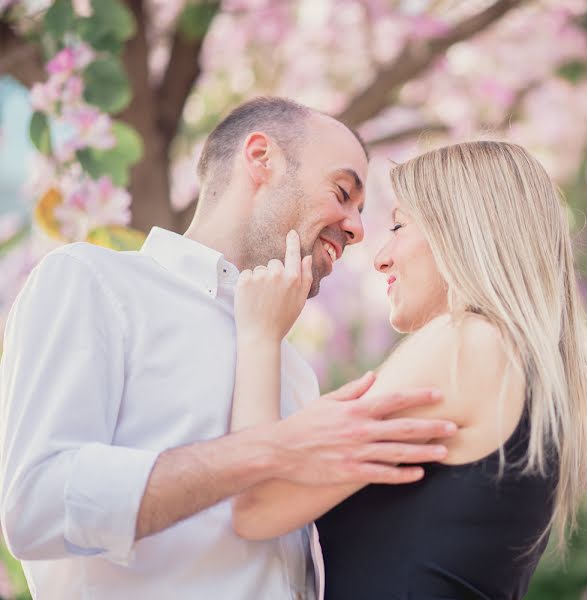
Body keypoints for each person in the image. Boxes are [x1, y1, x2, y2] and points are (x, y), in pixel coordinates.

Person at [0, 97, 457, 600]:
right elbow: (37, 505)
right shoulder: (94, 283)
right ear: (260, 158)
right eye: (342, 192)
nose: (356, 228)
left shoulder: (293, 370)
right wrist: (270, 450)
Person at [227, 141, 587, 599]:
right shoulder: (523, 365)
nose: (381, 257)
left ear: (462, 231)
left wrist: (259, 337)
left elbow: (256, 503)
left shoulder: (466, 343)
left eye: (399, 225)